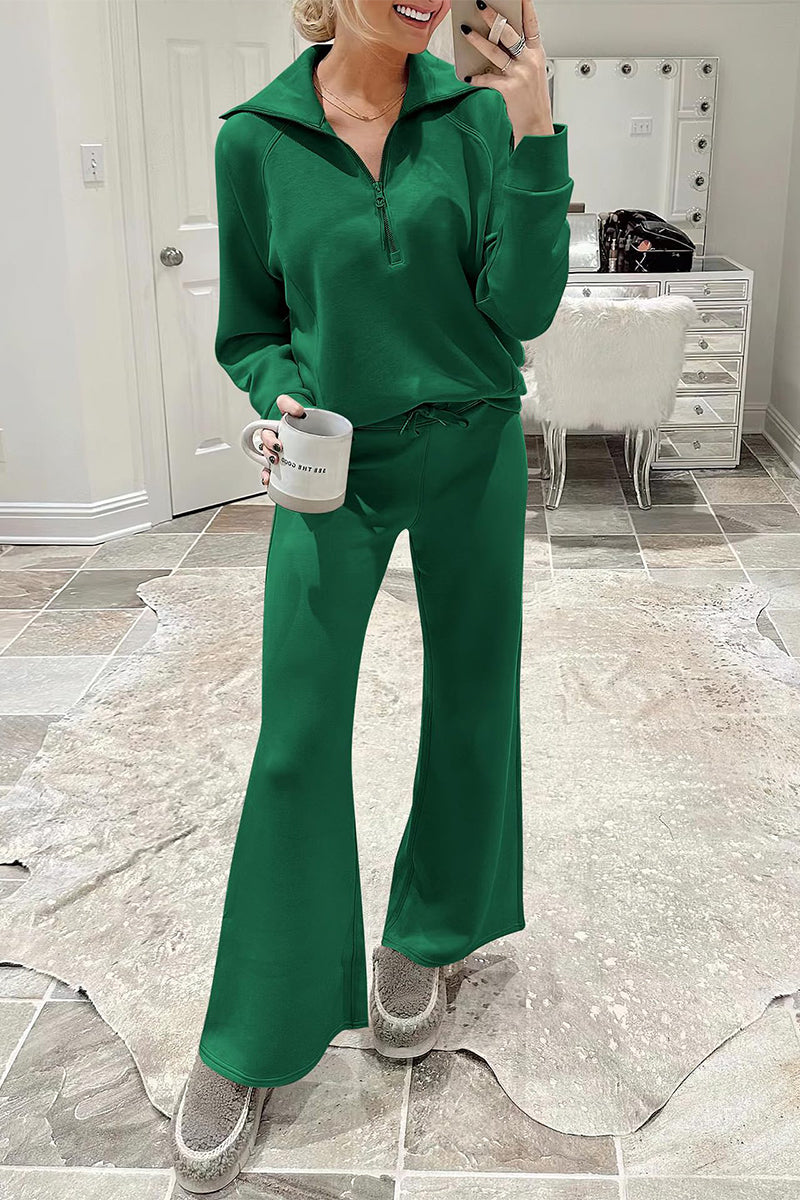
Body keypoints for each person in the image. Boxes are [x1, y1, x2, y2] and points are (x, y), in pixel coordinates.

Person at [170, 0, 573, 1190]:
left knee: (470, 697)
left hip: (472, 443)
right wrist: (277, 392)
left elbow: (522, 310)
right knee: (295, 734)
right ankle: (254, 1030)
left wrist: (534, 129)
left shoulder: (474, 120)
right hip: (331, 460)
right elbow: (249, 328)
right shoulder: (253, 140)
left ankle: (431, 929)